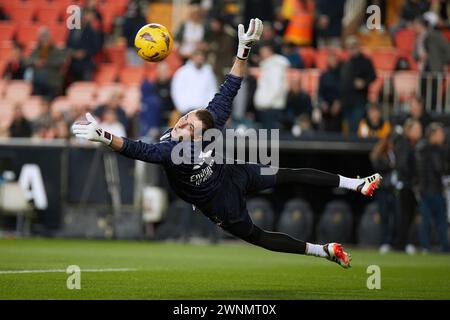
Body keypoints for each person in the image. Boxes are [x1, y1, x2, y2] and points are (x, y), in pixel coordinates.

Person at [73, 19, 383, 269]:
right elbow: (138, 150)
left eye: (191, 120)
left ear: (199, 133)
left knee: (289, 172)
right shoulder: (172, 149)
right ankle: (324, 251)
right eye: (187, 117)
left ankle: (356, 184)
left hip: (233, 173)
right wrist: (103, 136)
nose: (184, 120)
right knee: (257, 236)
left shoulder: (203, 127)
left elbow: (231, 85)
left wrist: (244, 51)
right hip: (219, 202)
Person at [415, 123, 449, 253]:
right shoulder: (435, 150)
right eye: (440, 134)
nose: (443, 137)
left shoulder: (420, 148)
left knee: (426, 221)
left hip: (426, 190)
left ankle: (426, 247)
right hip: (433, 190)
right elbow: (439, 168)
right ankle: (443, 247)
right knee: (439, 221)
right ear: (433, 135)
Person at [393, 118, 422, 254]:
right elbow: (403, 165)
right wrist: (414, 177)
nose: (419, 131)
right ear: (409, 130)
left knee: (408, 216)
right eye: (416, 129)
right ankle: (401, 244)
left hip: (408, 184)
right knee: (405, 215)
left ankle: (403, 243)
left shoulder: (412, 144)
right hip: (405, 184)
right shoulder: (404, 144)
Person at [340, 36, 376, 135]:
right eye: (349, 47)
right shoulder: (346, 63)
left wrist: (363, 82)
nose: (351, 50)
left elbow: (373, 76)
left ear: (358, 47)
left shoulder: (365, 61)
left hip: (359, 100)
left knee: (355, 126)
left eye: (353, 47)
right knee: (348, 126)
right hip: (346, 100)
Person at [370, 134, 398, 254]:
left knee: (396, 216)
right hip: (383, 189)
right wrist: (390, 166)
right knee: (384, 216)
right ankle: (385, 242)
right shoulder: (381, 155)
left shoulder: (395, 154)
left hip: (394, 189)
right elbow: (378, 167)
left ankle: (394, 242)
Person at [253, 43, 290, 129]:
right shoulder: (268, 66)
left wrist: (265, 102)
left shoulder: (274, 67)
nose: (261, 54)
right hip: (268, 107)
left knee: (270, 139)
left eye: (263, 52)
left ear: (270, 52)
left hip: (270, 108)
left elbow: (276, 87)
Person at [170, 50, 217, 115]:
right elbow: (176, 90)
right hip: (187, 111)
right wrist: (182, 108)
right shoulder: (182, 72)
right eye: (198, 56)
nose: (200, 59)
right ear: (193, 57)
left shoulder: (208, 72)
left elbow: (212, 90)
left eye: (201, 57)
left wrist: (209, 108)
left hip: (204, 111)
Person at [27, 27, 66, 101]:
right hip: (38, 83)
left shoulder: (56, 50)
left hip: (51, 82)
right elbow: (28, 61)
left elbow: (60, 62)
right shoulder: (36, 50)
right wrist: (35, 62)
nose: (43, 39)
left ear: (49, 37)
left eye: (45, 36)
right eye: (41, 36)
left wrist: (46, 62)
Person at [318, 51, 342, 132]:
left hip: (339, 107)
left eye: (335, 60)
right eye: (331, 60)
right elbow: (320, 92)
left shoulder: (342, 74)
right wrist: (322, 103)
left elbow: (344, 91)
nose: (333, 62)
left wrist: (339, 102)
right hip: (326, 108)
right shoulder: (324, 75)